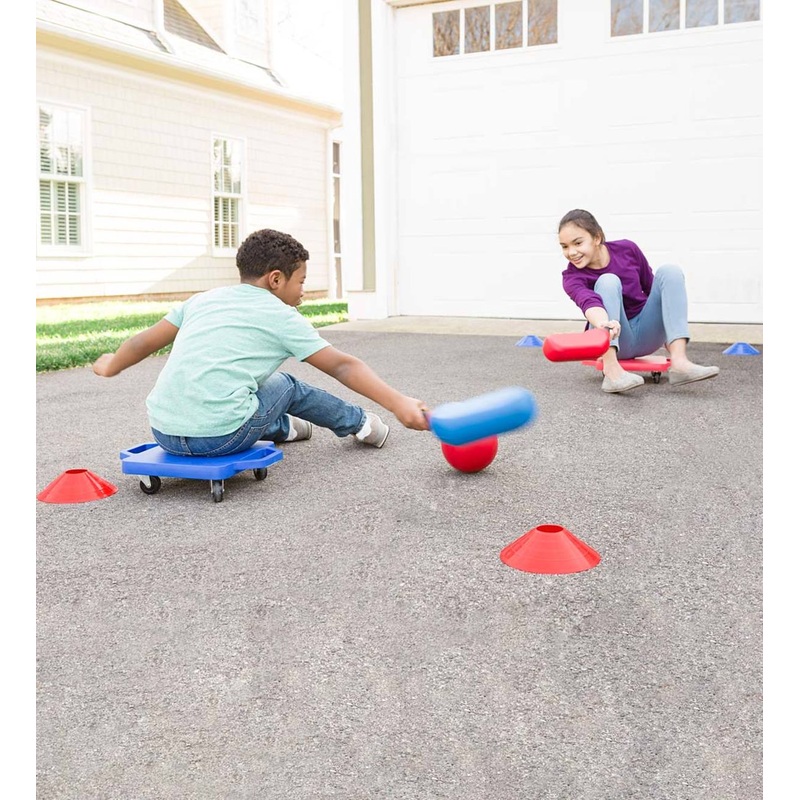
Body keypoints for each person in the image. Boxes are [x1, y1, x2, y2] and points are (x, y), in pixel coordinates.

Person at [92, 228, 429, 454]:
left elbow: (143, 343)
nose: (303, 292)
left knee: (248, 386)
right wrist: (398, 402)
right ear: (276, 279)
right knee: (288, 386)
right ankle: (361, 424)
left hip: (165, 433)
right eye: (301, 282)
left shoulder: (202, 300)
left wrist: (112, 364)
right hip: (221, 438)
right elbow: (341, 366)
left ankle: (283, 429)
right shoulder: (282, 316)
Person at [557, 209, 719, 394]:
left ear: (597, 237)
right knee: (608, 281)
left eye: (577, 243)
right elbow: (589, 302)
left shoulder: (627, 249)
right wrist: (604, 324)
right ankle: (612, 373)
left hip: (648, 334)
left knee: (669, 271)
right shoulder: (571, 277)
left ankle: (680, 363)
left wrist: (668, 335)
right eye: (564, 246)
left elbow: (653, 288)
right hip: (614, 338)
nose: (571, 252)